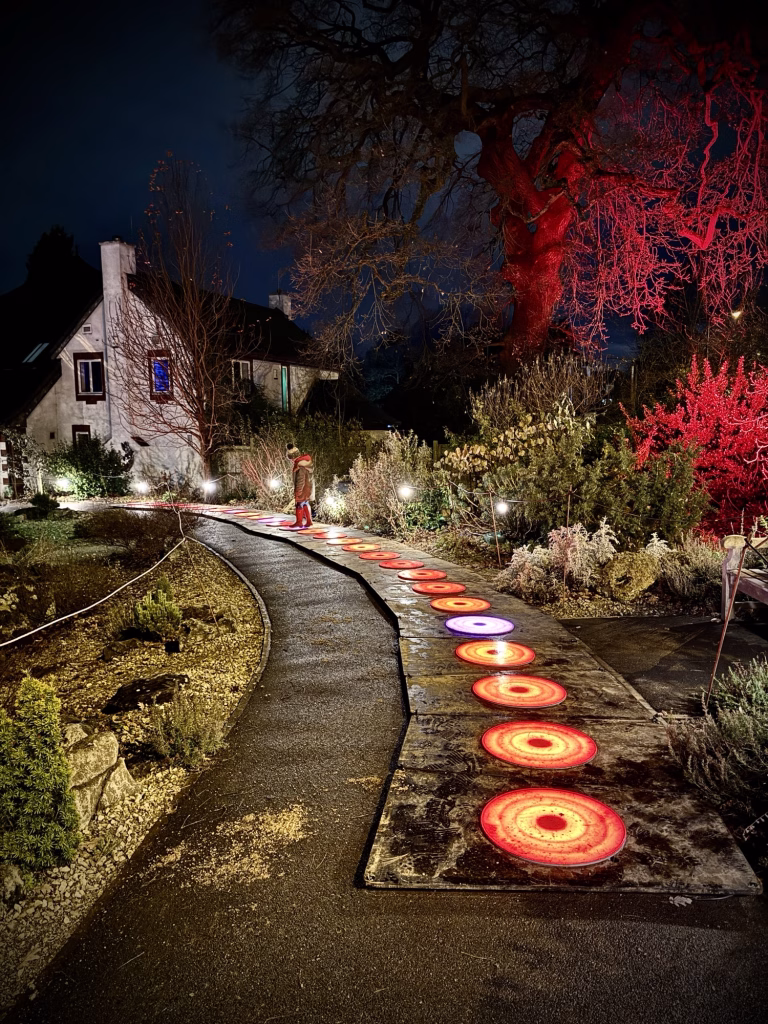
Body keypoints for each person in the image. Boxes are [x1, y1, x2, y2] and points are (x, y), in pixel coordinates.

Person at [286, 443, 315, 528]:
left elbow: (300, 480)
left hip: (303, 489)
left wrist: (298, 491)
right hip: (308, 488)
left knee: (299, 504)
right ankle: (309, 521)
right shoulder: (305, 463)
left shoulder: (299, 466)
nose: (291, 461)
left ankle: (299, 522)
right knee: (305, 503)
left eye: (291, 459)